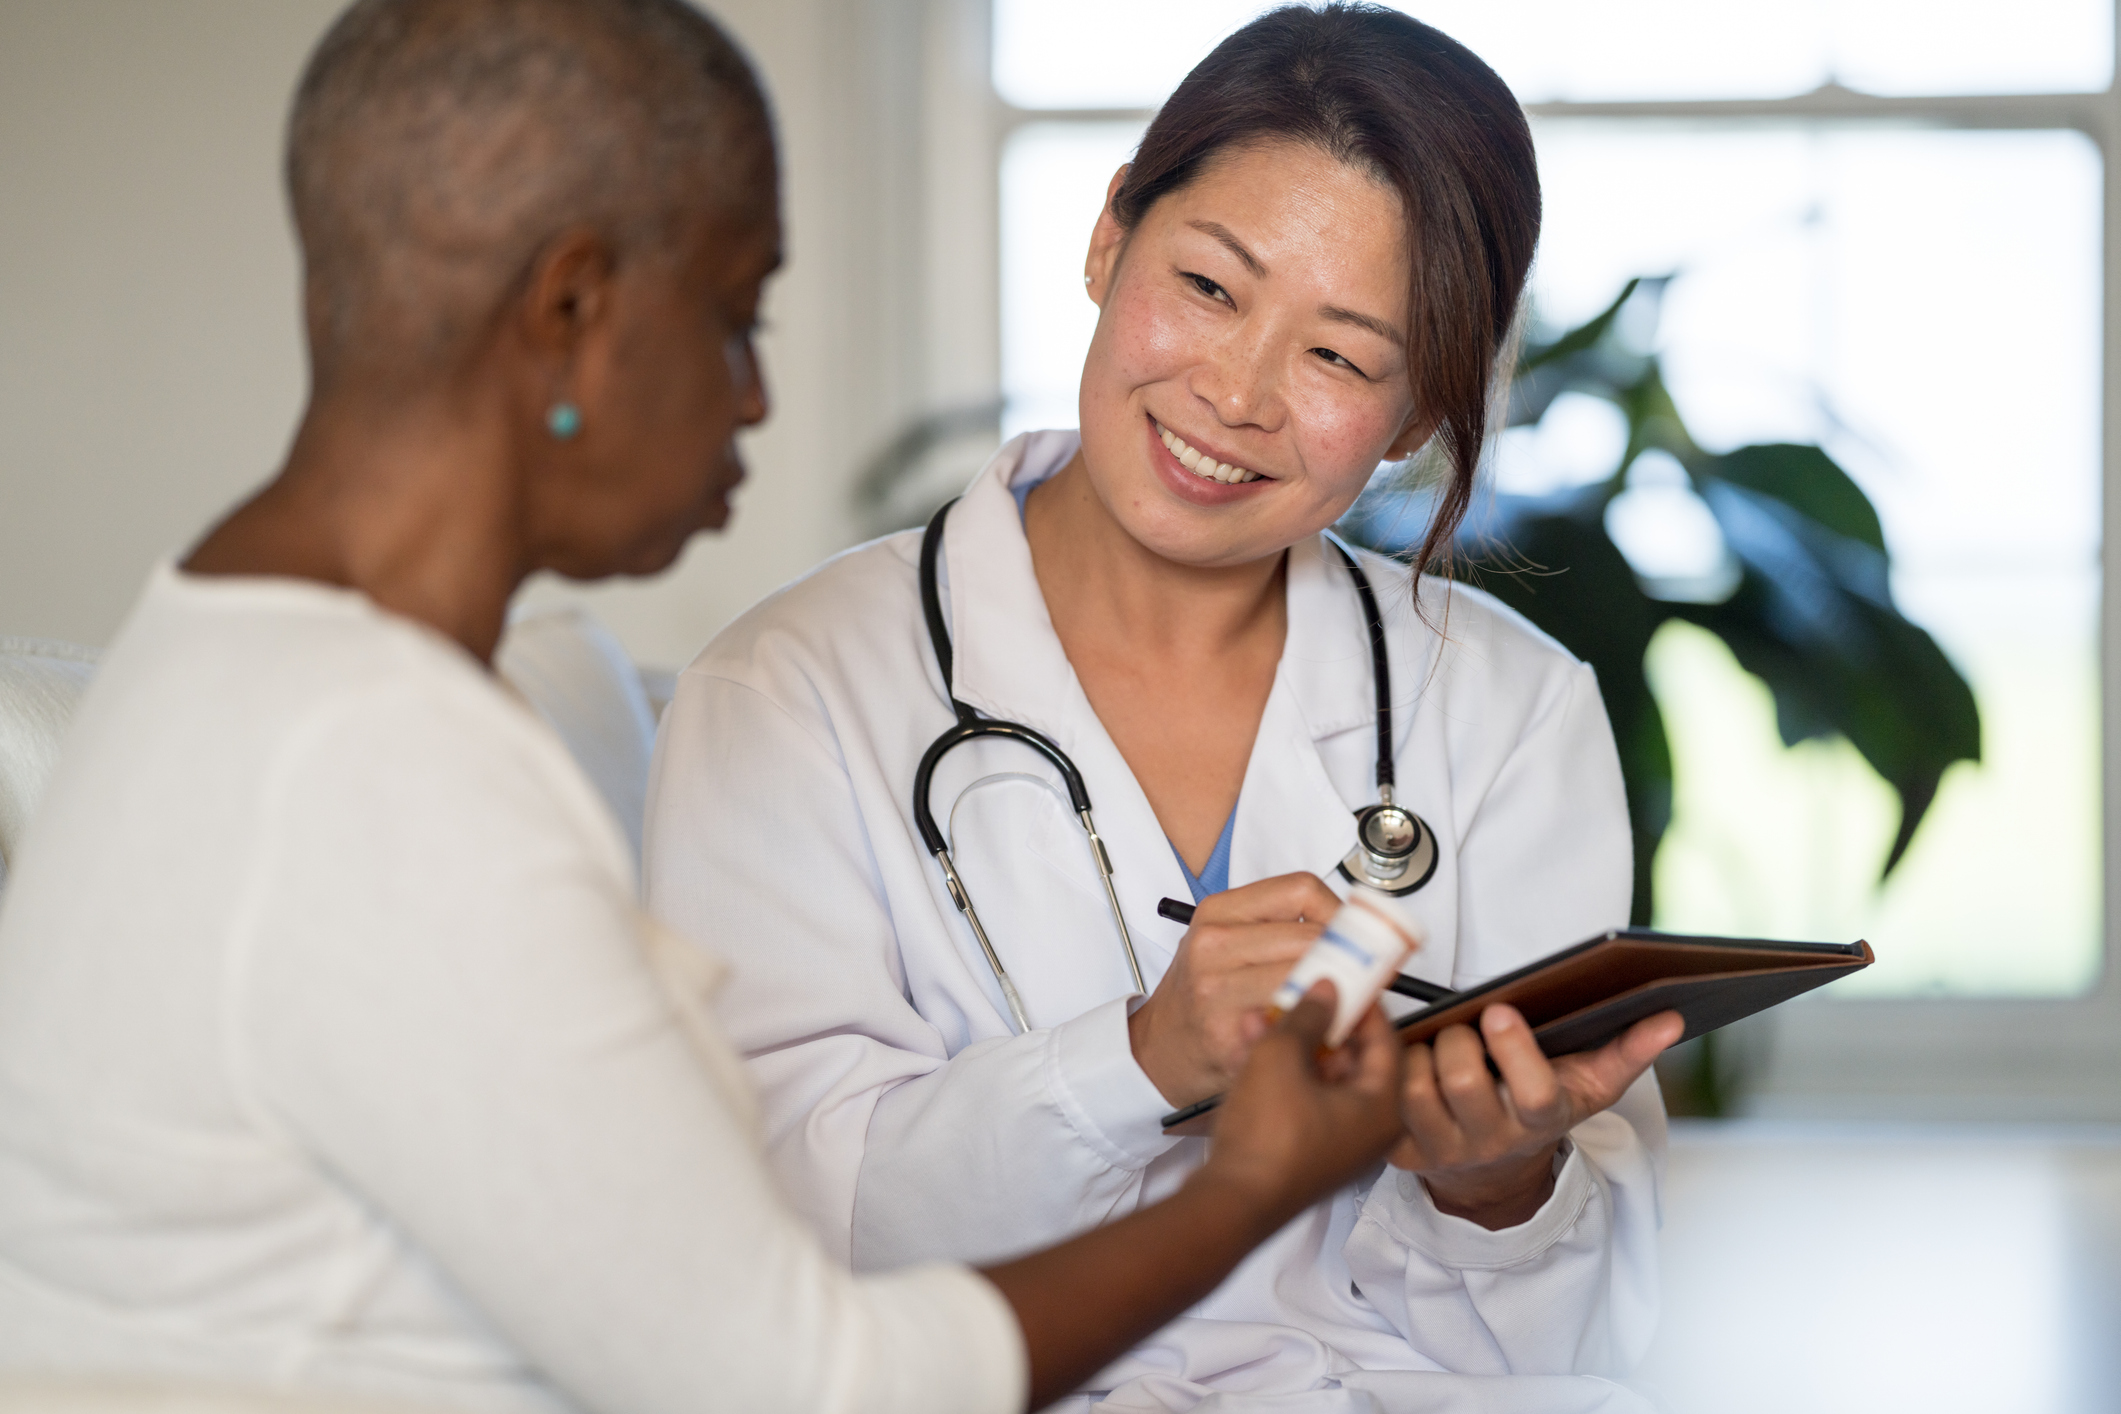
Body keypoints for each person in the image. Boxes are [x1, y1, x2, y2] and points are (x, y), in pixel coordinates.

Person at [0, 3, 1411, 1412]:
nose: (753, 394)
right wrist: (1248, 1182)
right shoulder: (377, 767)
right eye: (736, 313)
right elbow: (802, 1384)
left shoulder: (221, 649)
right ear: (569, 311)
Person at [643, 6, 1685, 1411]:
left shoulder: (1507, 710)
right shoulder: (790, 692)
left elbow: (1574, 1352)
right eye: (1207, 286)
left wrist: (1495, 1188)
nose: (1237, 393)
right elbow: (787, 1242)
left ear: (1419, 418)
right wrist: (1137, 1057)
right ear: (1107, 234)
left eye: (1338, 357)